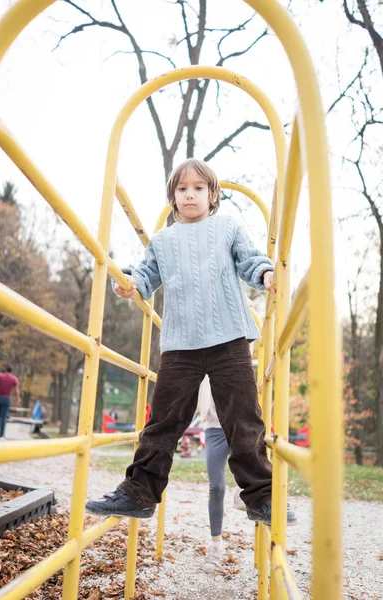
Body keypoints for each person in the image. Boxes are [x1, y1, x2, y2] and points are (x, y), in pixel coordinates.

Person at [86, 158, 296, 527]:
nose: (190, 195)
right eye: (182, 189)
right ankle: (140, 493)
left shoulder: (227, 226)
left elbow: (249, 260)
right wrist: (129, 281)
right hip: (180, 345)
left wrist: (264, 273)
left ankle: (263, 497)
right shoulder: (164, 240)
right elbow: (146, 273)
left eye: (199, 188)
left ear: (212, 195)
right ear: (173, 198)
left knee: (243, 419)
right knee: (163, 421)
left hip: (228, 338)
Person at [198, 374, 247, 573]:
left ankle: (242, 490)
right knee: (216, 487)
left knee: (249, 474)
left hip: (239, 423)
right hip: (214, 428)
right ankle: (216, 546)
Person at [0, 365, 20, 440]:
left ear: (5, 370)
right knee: (3, 417)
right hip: (6, 398)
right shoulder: (14, 378)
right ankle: (1, 436)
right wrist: (18, 399)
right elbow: (17, 390)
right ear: (12, 371)